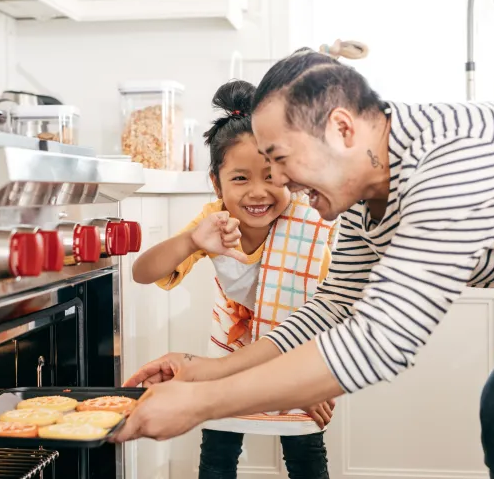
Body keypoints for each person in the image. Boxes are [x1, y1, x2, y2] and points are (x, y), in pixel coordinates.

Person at [115, 48, 494, 479]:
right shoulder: (362, 191)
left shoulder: (452, 165)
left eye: (281, 158)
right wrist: (208, 371)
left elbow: (381, 341)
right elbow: (333, 306)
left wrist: (200, 405)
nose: (281, 181)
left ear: (342, 130)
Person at [130, 79, 338, 479]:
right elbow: (143, 273)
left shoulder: (311, 222)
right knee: (218, 455)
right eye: (240, 178)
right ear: (216, 184)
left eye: (272, 177)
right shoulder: (214, 223)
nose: (258, 192)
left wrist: (315, 379)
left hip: (300, 362)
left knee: (307, 456)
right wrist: (192, 240)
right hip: (226, 362)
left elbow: (330, 307)